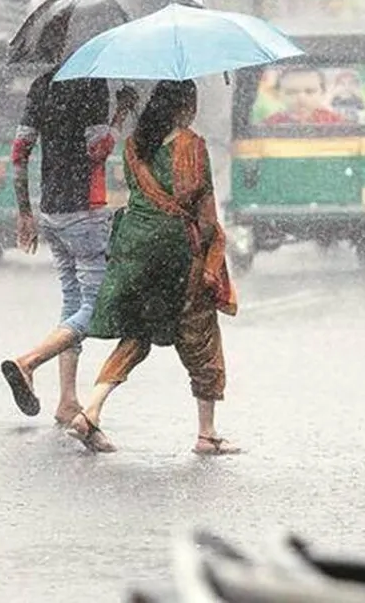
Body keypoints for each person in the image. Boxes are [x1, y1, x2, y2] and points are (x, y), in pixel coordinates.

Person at [66, 81, 240, 456]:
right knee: (200, 335)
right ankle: (207, 434)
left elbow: (137, 192)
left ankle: (90, 410)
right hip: (176, 250)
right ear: (185, 107)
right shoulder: (191, 146)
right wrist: (210, 247)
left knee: (137, 333)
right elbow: (205, 215)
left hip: (134, 247)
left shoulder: (133, 146)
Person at [0, 69, 138, 426]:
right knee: (93, 307)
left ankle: (67, 400)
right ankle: (27, 362)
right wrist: (120, 114)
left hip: (50, 212)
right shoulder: (91, 82)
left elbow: (19, 152)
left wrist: (25, 212)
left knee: (72, 302)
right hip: (85, 212)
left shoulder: (41, 83)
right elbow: (98, 149)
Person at [263, 67, 346, 125]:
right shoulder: (270, 124)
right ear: (279, 95)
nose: (301, 98)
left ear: (323, 94)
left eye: (309, 91)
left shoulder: (335, 121)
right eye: (291, 92)